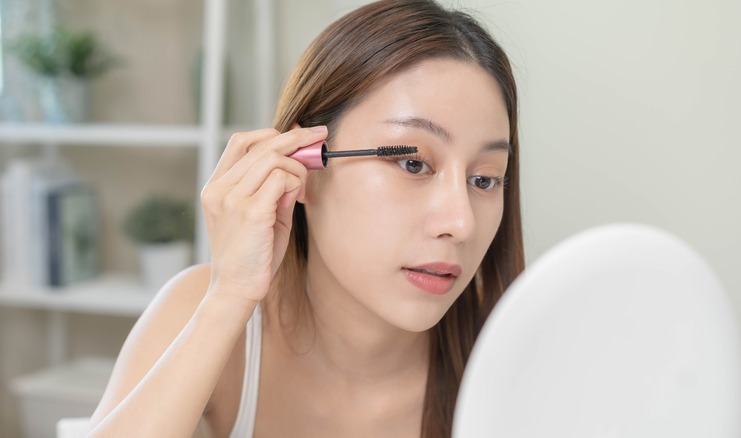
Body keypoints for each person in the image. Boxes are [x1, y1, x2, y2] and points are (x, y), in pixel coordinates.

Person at [85, 0, 524, 436]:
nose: (460, 222)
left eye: (485, 180)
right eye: (413, 164)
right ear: (303, 165)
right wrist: (229, 297)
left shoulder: (518, 359)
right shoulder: (207, 310)